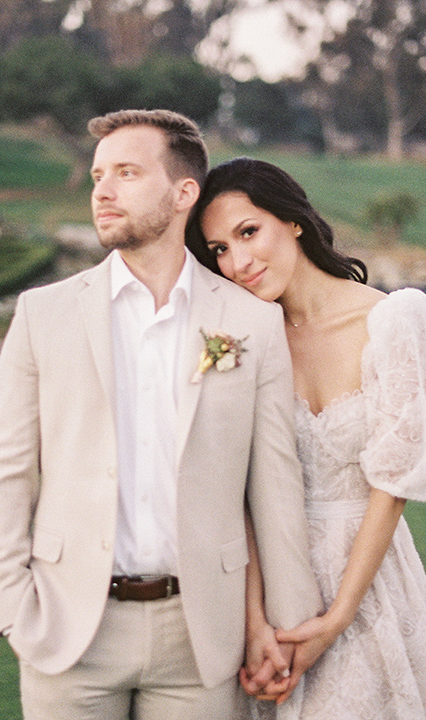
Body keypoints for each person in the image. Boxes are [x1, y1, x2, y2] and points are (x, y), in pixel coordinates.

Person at [0, 111, 323, 720]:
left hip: (202, 638)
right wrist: (10, 604)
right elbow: (6, 470)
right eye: (97, 177)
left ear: (183, 192)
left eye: (127, 173)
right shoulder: (43, 314)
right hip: (69, 627)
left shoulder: (250, 321)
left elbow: (274, 487)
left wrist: (286, 625)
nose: (102, 192)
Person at [187, 156, 426, 719]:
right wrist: (255, 626)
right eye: (219, 249)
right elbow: (228, 488)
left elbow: (390, 486)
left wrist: (336, 619)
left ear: (293, 219)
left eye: (249, 232)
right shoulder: (230, 339)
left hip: (370, 585)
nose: (238, 261)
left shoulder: (397, 319)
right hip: (265, 590)